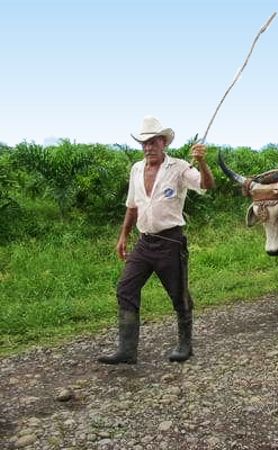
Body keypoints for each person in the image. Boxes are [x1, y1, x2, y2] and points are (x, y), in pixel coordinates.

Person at [98, 116, 215, 364]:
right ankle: (127, 351)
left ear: (163, 142)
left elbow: (207, 185)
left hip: (170, 243)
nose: (148, 147)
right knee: (126, 289)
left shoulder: (180, 167)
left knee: (178, 295)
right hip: (144, 243)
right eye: (144, 143)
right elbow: (132, 207)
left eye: (152, 142)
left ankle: (185, 345)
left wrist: (203, 162)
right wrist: (123, 237)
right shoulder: (137, 169)